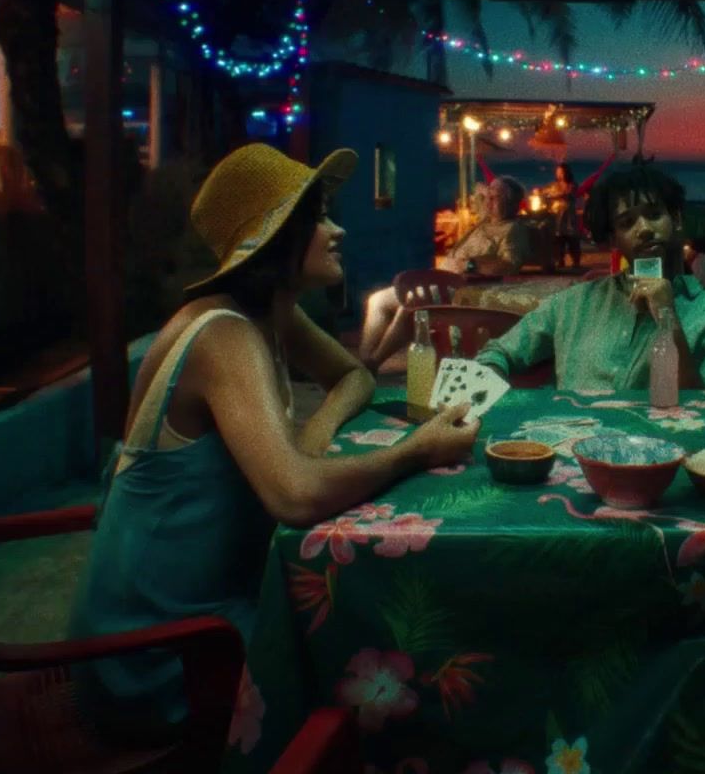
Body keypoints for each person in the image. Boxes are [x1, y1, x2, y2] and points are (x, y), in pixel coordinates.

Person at [68, 143, 479, 742]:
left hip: (172, 627)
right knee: (384, 652)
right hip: (157, 656)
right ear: (276, 239)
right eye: (317, 218)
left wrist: (312, 431)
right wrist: (417, 450)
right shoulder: (223, 335)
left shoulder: (266, 313)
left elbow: (354, 375)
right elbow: (294, 497)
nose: (336, 230)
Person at [477, 165, 705, 391]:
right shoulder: (573, 305)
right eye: (627, 223)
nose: (644, 229)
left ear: (677, 220)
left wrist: (667, 316)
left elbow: (704, 419)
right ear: (613, 240)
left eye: (654, 215)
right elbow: (497, 353)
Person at [442, 176, 532, 275]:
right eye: (487, 197)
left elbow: (509, 266)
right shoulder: (486, 219)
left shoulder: (513, 229)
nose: (488, 201)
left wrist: (469, 265)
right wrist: (490, 191)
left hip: (467, 285)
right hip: (445, 277)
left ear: (511, 203)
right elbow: (478, 189)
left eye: (495, 197)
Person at [545, 162, 582, 269]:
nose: (558, 174)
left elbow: (568, 195)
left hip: (569, 215)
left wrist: (553, 196)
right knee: (559, 239)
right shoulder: (555, 185)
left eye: (560, 172)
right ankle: (560, 260)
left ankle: (576, 262)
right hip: (558, 214)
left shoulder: (572, 184)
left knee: (572, 238)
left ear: (565, 173)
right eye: (557, 172)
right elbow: (547, 192)